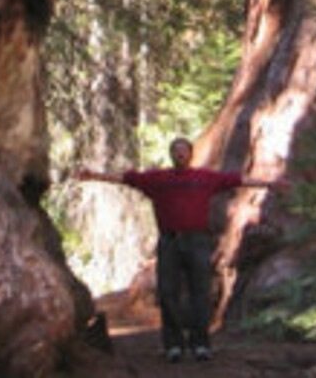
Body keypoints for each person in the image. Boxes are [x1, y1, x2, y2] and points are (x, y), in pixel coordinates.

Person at [75, 136, 286, 363]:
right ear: (171, 155)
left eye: (184, 150)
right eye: (176, 151)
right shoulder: (158, 179)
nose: (180, 154)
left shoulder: (204, 178)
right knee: (167, 293)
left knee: (200, 293)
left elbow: (237, 180)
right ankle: (173, 345)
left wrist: (269, 183)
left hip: (197, 241)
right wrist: (95, 176)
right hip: (169, 242)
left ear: (191, 154)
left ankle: (201, 345)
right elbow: (126, 179)